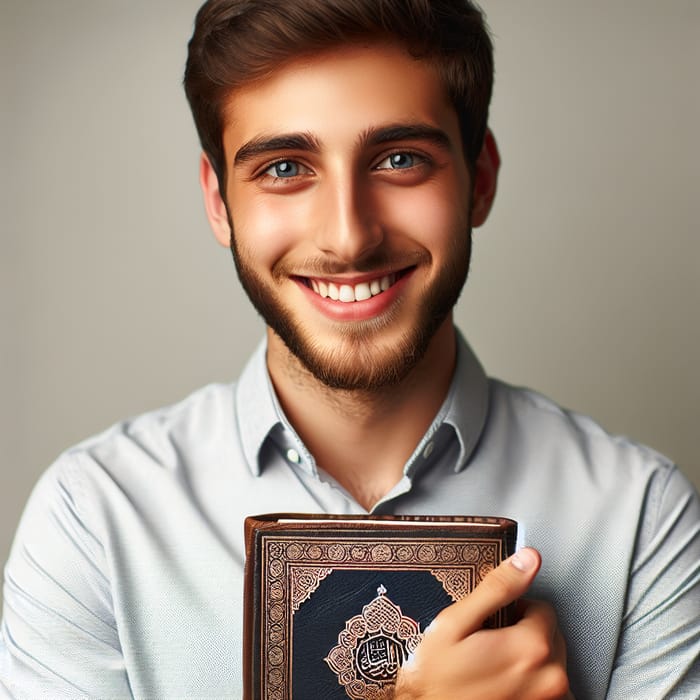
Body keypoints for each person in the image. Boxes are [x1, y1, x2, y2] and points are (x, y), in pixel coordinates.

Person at [1, 0, 698, 698]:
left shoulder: (640, 518)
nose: (348, 236)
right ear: (219, 202)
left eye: (400, 159)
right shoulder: (94, 518)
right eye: (283, 168)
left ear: (478, 179)